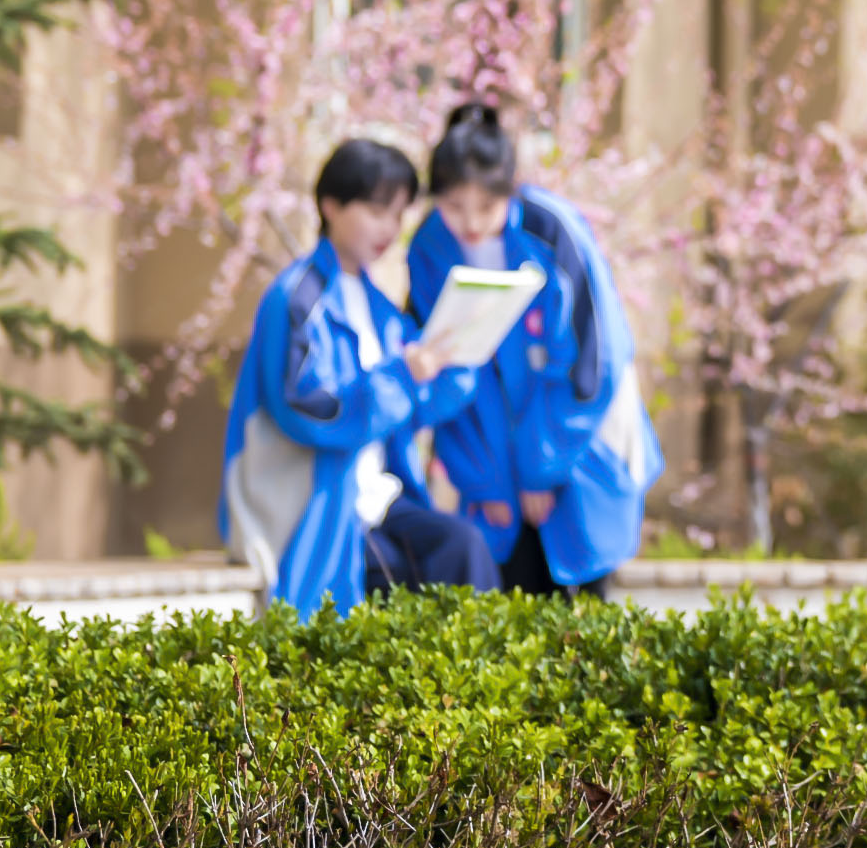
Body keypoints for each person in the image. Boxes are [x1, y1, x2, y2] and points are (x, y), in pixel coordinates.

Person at [219, 137, 498, 613]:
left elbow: (413, 405)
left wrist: (457, 359)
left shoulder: (380, 308)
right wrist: (404, 378)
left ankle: (480, 687)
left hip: (375, 501)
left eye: (398, 214)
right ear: (330, 204)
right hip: (316, 507)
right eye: (375, 209)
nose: (388, 227)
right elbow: (309, 409)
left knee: (462, 548)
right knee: (394, 579)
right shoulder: (296, 298)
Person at [401, 99, 663, 596]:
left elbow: (593, 362)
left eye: (486, 206)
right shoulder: (428, 249)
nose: (471, 223)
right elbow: (450, 373)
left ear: (511, 190)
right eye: (454, 207)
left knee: (583, 634)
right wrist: (488, 483)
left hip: (575, 463)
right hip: (489, 485)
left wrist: (541, 470)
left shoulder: (554, 231)